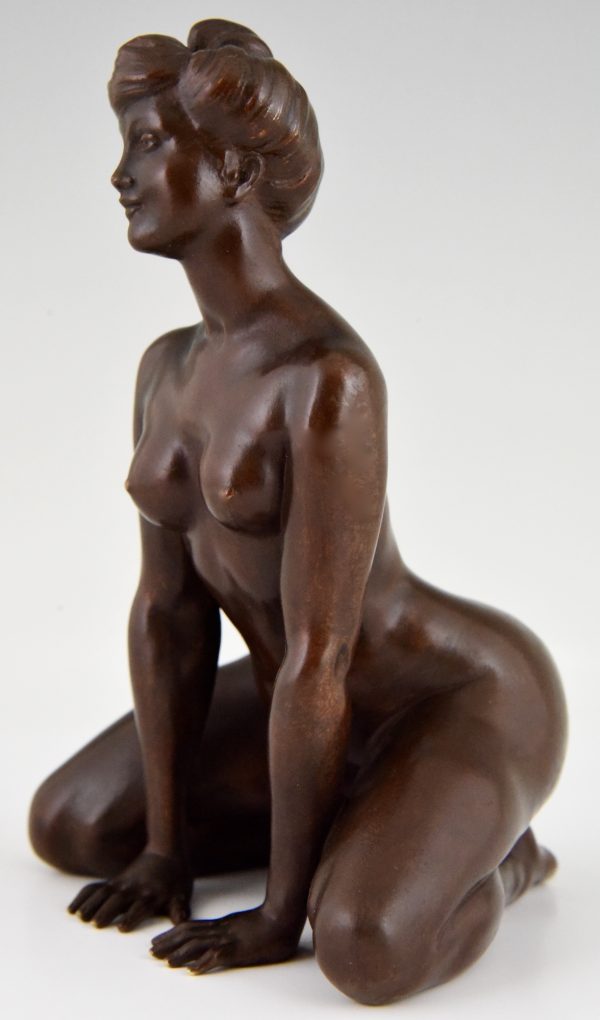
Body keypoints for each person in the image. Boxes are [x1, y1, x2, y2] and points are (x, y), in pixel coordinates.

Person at [29, 19, 567, 1005]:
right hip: (307, 697)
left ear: (233, 168)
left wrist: (281, 918)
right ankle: (359, 823)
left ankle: (501, 859)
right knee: (72, 826)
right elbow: (169, 616)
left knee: (361, 946)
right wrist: (164, 851)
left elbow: (323, 655)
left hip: (454, 701)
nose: (120, 174)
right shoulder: (165, 370)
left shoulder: (327, 379)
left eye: (147, 144)